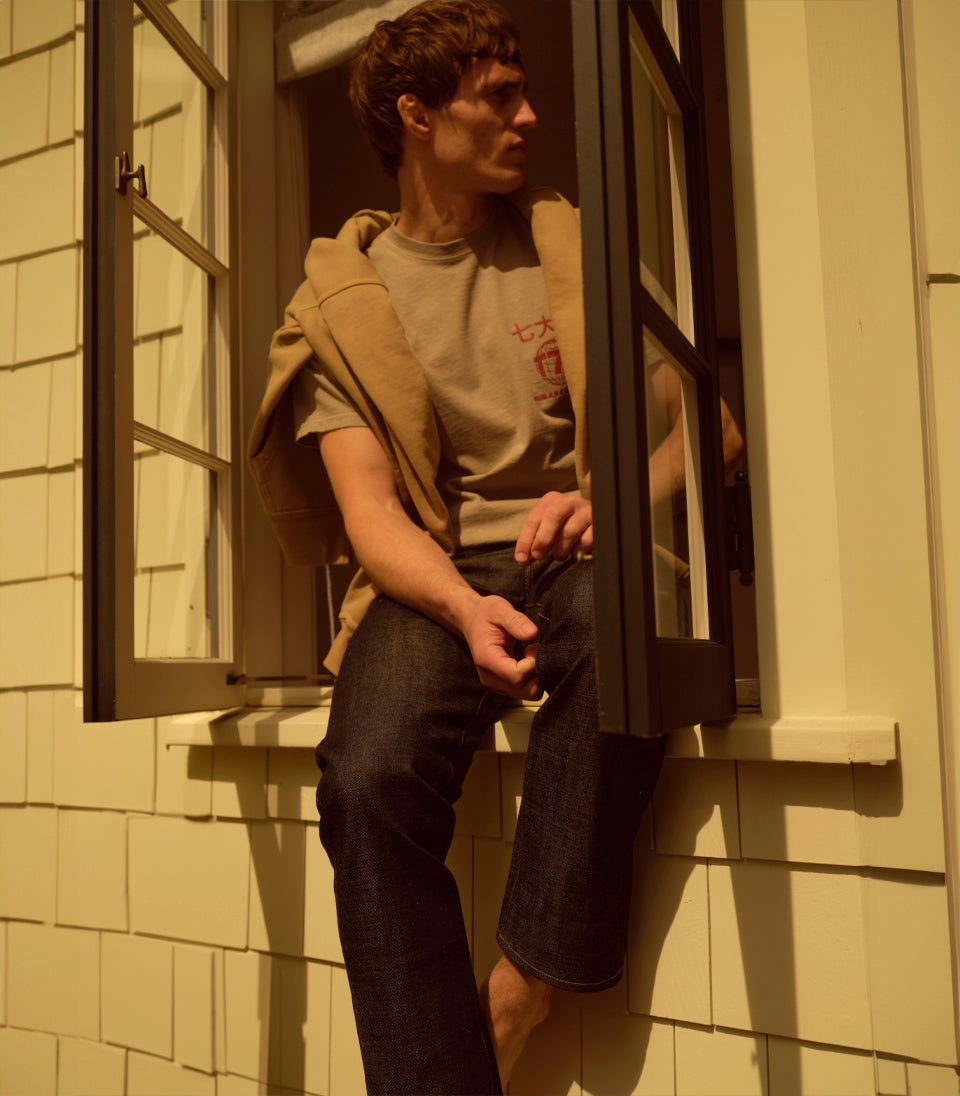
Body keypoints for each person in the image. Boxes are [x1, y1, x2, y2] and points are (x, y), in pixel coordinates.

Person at [248, 2, 739, 1091]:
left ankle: (520, 994)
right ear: (417, 116)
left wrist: (614, 500)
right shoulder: (339, 304)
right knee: (366, 778)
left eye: (524, 90)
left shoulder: (572, 249)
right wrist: (467, 611)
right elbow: (371, 519)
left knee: (631, 641)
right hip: (431, 578)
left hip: (574, 550)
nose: (528, 116)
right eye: (498, 96)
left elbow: (710, 430)